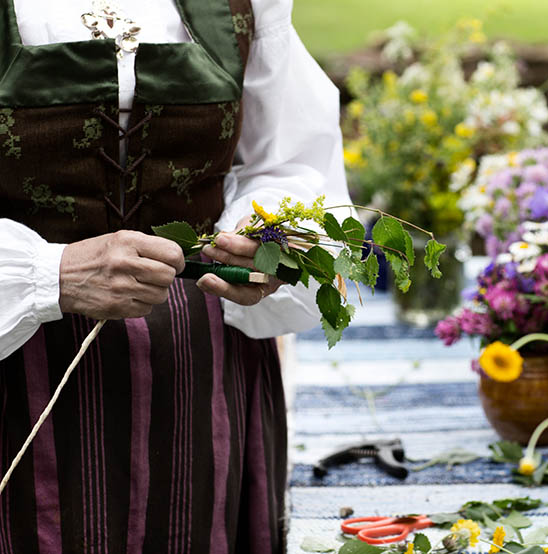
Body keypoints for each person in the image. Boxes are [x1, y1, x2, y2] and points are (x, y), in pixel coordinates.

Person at [0, 0, 350, 551]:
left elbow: (286, 158)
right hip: (17, 377)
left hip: (201, 377)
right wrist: (50, 274)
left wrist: (264, 235)